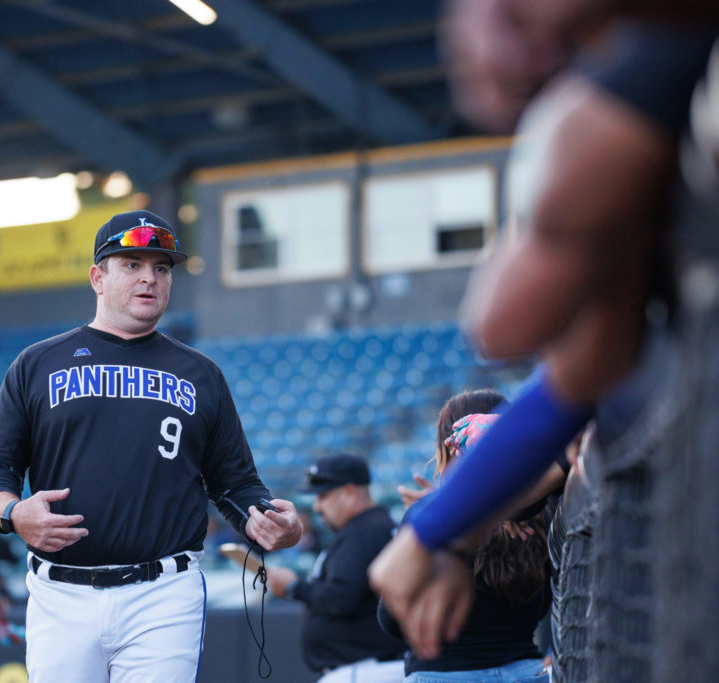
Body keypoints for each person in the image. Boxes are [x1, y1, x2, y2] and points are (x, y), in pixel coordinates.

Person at [368, 1, 716, 664]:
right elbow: (569, 368)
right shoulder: (665, 82)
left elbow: (504, 320)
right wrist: (445, 529)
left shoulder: (640, 93)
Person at [0, 209, 302, 683]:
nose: (149, 278)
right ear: (97, 277)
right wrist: (11, 513)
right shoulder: (39, 363)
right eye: (131, 264)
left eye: (161, 268)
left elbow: (235, 484)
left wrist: (270, 521)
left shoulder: (201, 375)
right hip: (60, 593)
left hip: (163, 594)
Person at [378, 392, 552, 683]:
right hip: (524, 672)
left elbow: (392, 618)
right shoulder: (536, 509)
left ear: (447, 445)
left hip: (443, 674)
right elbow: (543, 606)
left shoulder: (430, 515)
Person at [267, 453, 404, 683]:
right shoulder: (371, 526)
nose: (317, 507)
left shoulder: (365, 530)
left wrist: (293, 587)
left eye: (323, 495)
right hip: (368, 667)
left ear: (350, 493)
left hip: (366, 670)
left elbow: (340, 598)